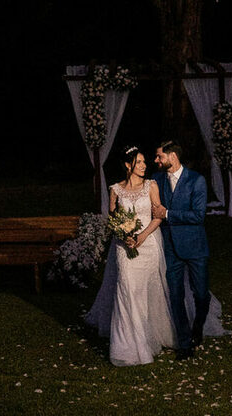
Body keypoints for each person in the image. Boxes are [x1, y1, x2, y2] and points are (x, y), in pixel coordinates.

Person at [84, 145, 177, 365]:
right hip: (124, 249)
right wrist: (122, 233)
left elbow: (158, 215)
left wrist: (142, 236)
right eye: (140, 162)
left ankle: (148, 336)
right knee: (126, 292)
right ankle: (127, 346)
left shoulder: (151, 185)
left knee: (146, 294)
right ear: (128, 165)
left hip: (148, 245)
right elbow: (112, 218)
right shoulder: (115, 189)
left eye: (145, 162)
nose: (144, 166)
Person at [151, 139, 211, 358]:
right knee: (176, 296)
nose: (156, 160)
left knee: (202, 294)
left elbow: (198, 216)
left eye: (160, 156)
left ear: (173, 157)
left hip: (195, 247)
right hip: (170, 248)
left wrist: (167, 214)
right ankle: (184, 344)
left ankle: (198, 327)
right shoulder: (156, 179)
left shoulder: (197, 181)